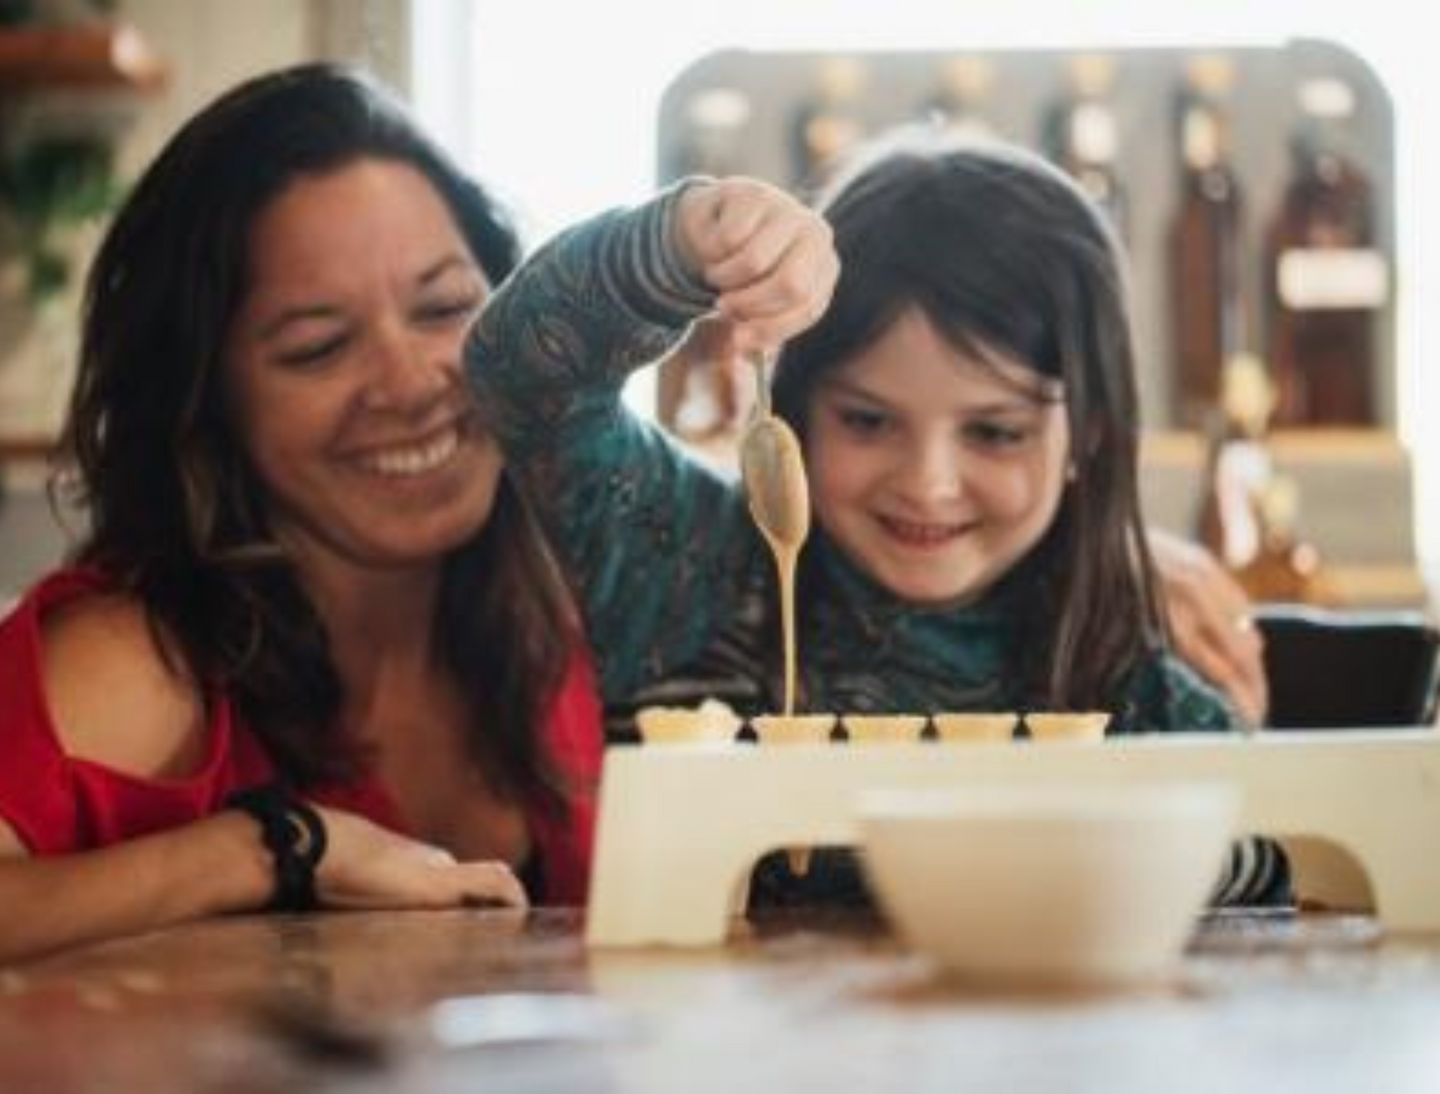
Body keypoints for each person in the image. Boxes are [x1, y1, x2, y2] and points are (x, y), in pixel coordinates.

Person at [466, 132, 1286, 905]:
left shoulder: (1132, 686)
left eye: (994, 432)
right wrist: (687, 240)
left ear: (1090, 436)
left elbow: (1282, 865)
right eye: (866, 421)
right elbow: (521, 374)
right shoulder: (689, 565)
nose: (928, 486)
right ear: (793, 410)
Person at [0, 64, 644, 962]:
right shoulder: (142, 666)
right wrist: (271, 851)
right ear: (204, 401)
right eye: (318, 347)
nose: (412, 382)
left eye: (448, 307)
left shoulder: (568, 617)